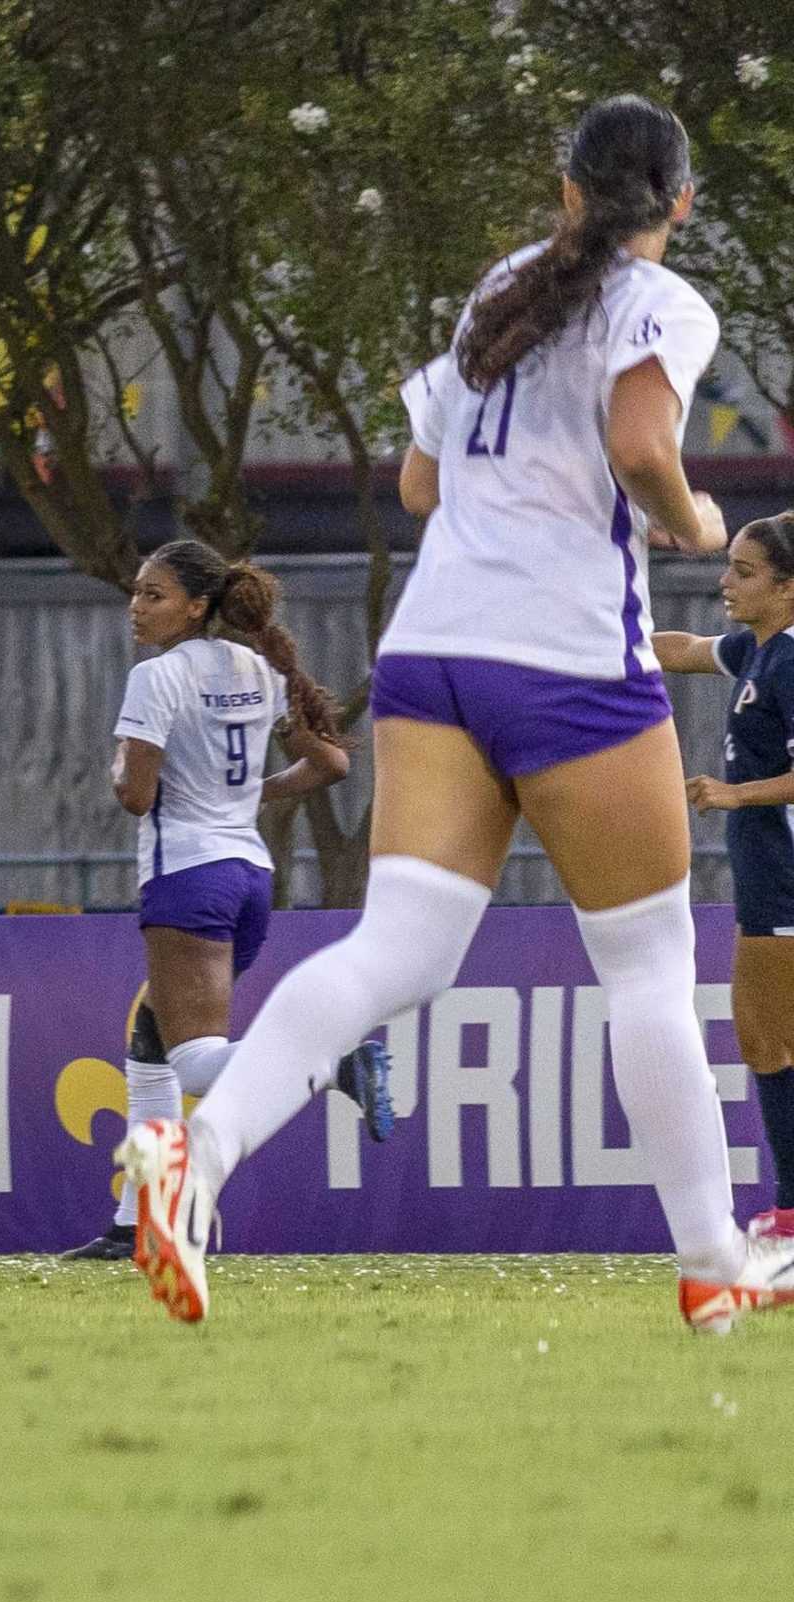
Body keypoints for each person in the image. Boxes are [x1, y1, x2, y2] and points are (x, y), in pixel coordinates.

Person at [125, 94, 794, 1332]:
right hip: (567, 661)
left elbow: (421, 478)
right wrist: (696, 521)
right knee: (646, 963)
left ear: (567, 194)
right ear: (682, 204)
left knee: (400, 952)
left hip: (434, 650)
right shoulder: (664, 301)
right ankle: (710, 1260)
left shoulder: (504, 288)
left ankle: (197, 1153)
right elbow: (645, 442)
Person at [60, 541, 390, 1262]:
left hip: (188, 877)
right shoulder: (255, 668)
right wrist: (256, 792)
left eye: (155, 595)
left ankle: (337, 1066)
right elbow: (331, 762)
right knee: (150, 1047)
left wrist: (121, 754)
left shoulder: (158, 678)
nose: (137, 608)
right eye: (137, 592)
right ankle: (138, 1223)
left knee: (192, 1062)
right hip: (247, 877)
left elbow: (135, 794)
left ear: (199, 606)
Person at [654, 512, 794, 1240]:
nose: (725, 580)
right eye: (729, 565)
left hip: (785, 880)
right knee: (768, 1039)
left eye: (744, 572)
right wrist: (592, 644)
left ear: (788, 586)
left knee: (769, 1040)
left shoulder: (792, 660)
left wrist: (738, 792)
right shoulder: (759, 650)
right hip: (768, 879)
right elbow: (679, 649)